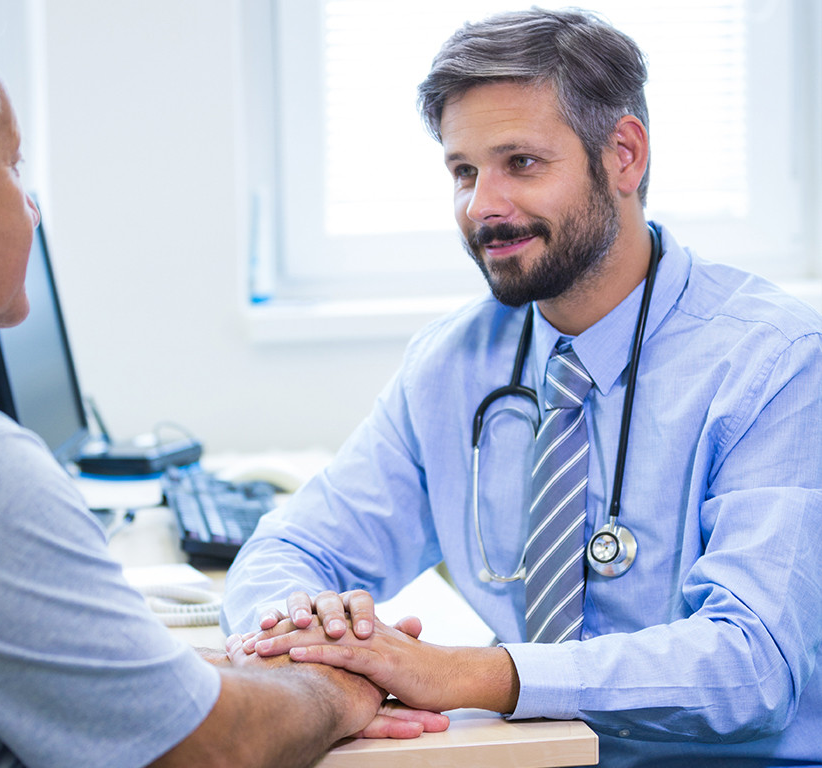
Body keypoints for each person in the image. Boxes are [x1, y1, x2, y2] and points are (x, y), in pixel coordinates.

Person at [0, 10, 449, 768]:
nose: (31, 207)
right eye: (13, 166)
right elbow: (214, 751)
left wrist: (223, 675)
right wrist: (342, 685)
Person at [222, 7, 822, 766]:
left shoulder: (774, 362)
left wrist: (469, 673)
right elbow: (295, 544)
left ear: (625, 156)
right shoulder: (454, 363)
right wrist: (306, 632)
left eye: (522, 164)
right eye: (464, 171)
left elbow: (751, 669)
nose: (483, 207)